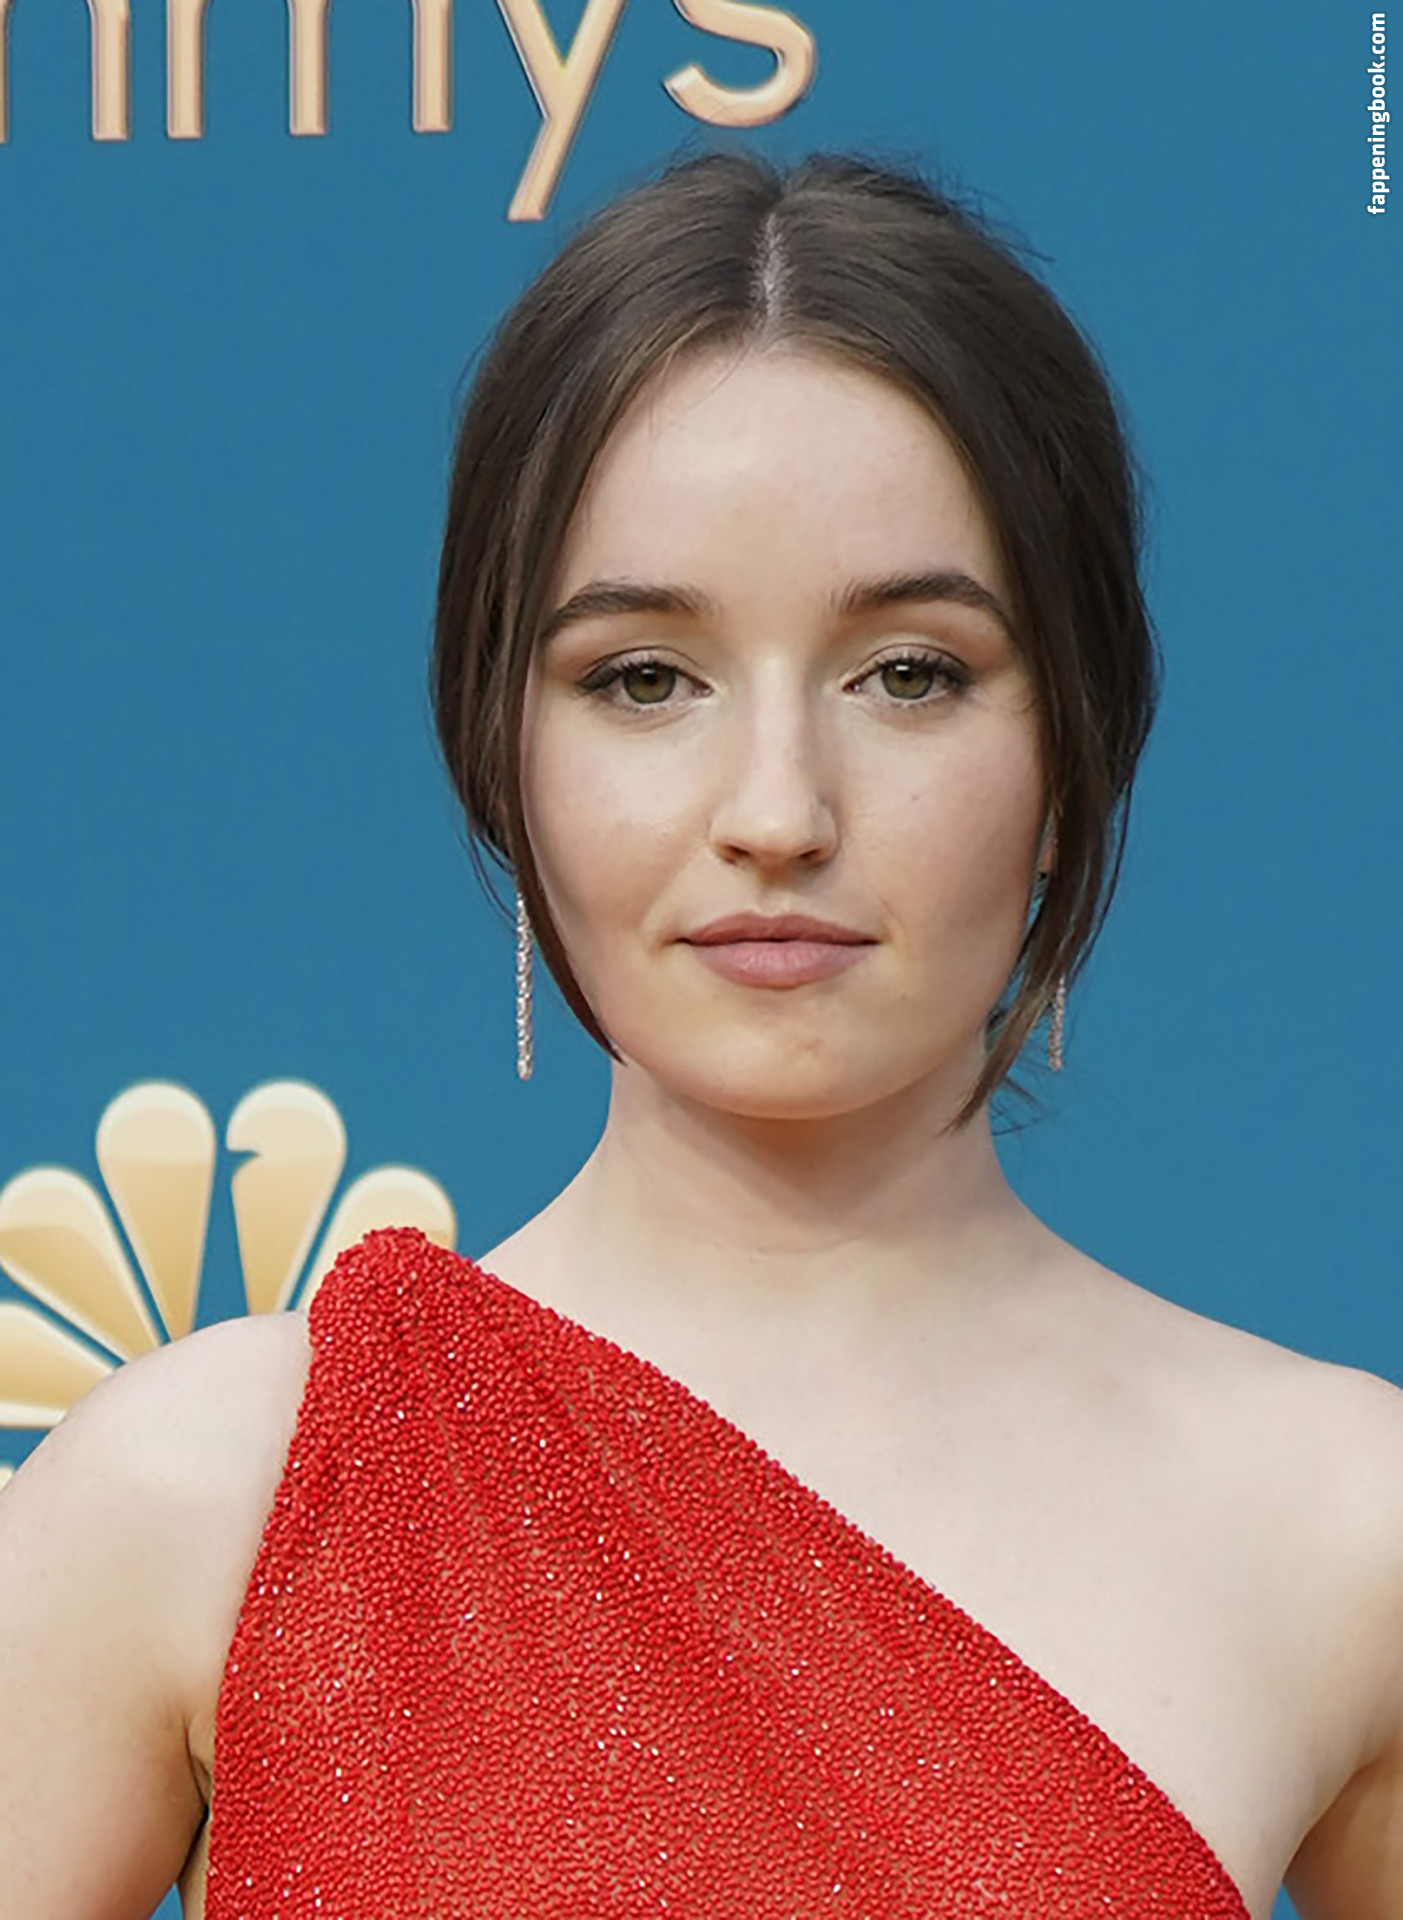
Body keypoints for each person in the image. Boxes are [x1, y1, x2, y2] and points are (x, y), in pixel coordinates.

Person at [0, 146, 1399, 1920]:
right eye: (644, 679)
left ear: (1073, 747)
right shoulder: (206, 1499)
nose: (778, 811)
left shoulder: (1345, 1526)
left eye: (911, 673)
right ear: (501, 754)